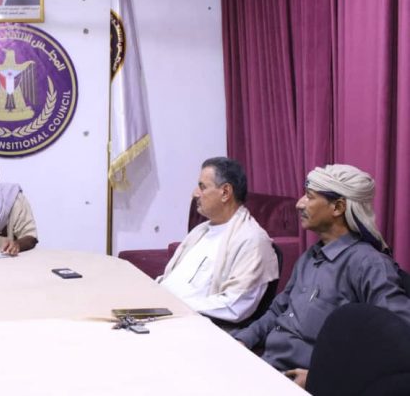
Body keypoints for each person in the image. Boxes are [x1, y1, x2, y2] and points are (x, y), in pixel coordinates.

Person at [233, 164, 410, 389]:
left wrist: (323, 378)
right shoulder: (310, 256)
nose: (299, 203)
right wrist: (243, 339)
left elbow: (398, 340)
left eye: (309, 196)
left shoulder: (369, 265)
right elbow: (278, 310)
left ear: (338, 207)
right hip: (266, 366)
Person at [157, 157, 279, 323]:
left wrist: (174, 306)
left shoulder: (252, 240)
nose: (195, 194)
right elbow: (171, 280)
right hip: (165, 311)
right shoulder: (200, 230)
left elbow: (235, 305)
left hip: (194, 324)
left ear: (225, 192)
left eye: (203, 187)